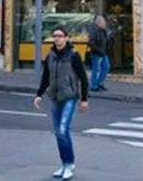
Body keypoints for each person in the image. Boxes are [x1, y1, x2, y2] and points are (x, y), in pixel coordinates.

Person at [33, 26, 89, 180]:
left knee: (63, 130)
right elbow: (46, 77)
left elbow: (83, 78)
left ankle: (69, 164)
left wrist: (84, 99)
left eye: (60, 36)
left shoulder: (73, 55)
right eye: (55, 36)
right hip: (55, 97)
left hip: (70, 96)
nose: (57, 38)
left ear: (66, 38)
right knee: (58, 132)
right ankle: (64, 164)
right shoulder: (50, 56)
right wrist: (39, 94)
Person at [88, 15, 110, 92]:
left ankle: (99, 83)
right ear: (99, 23)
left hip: (104, 53)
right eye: (103, 22)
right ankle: (94, 86)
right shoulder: (94, 30)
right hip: (97, 53)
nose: (105, 23)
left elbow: (106, 41)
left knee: (106, 67)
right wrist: (98, 50)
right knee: (96, 69)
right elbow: (91, 42)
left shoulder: (103, 30)